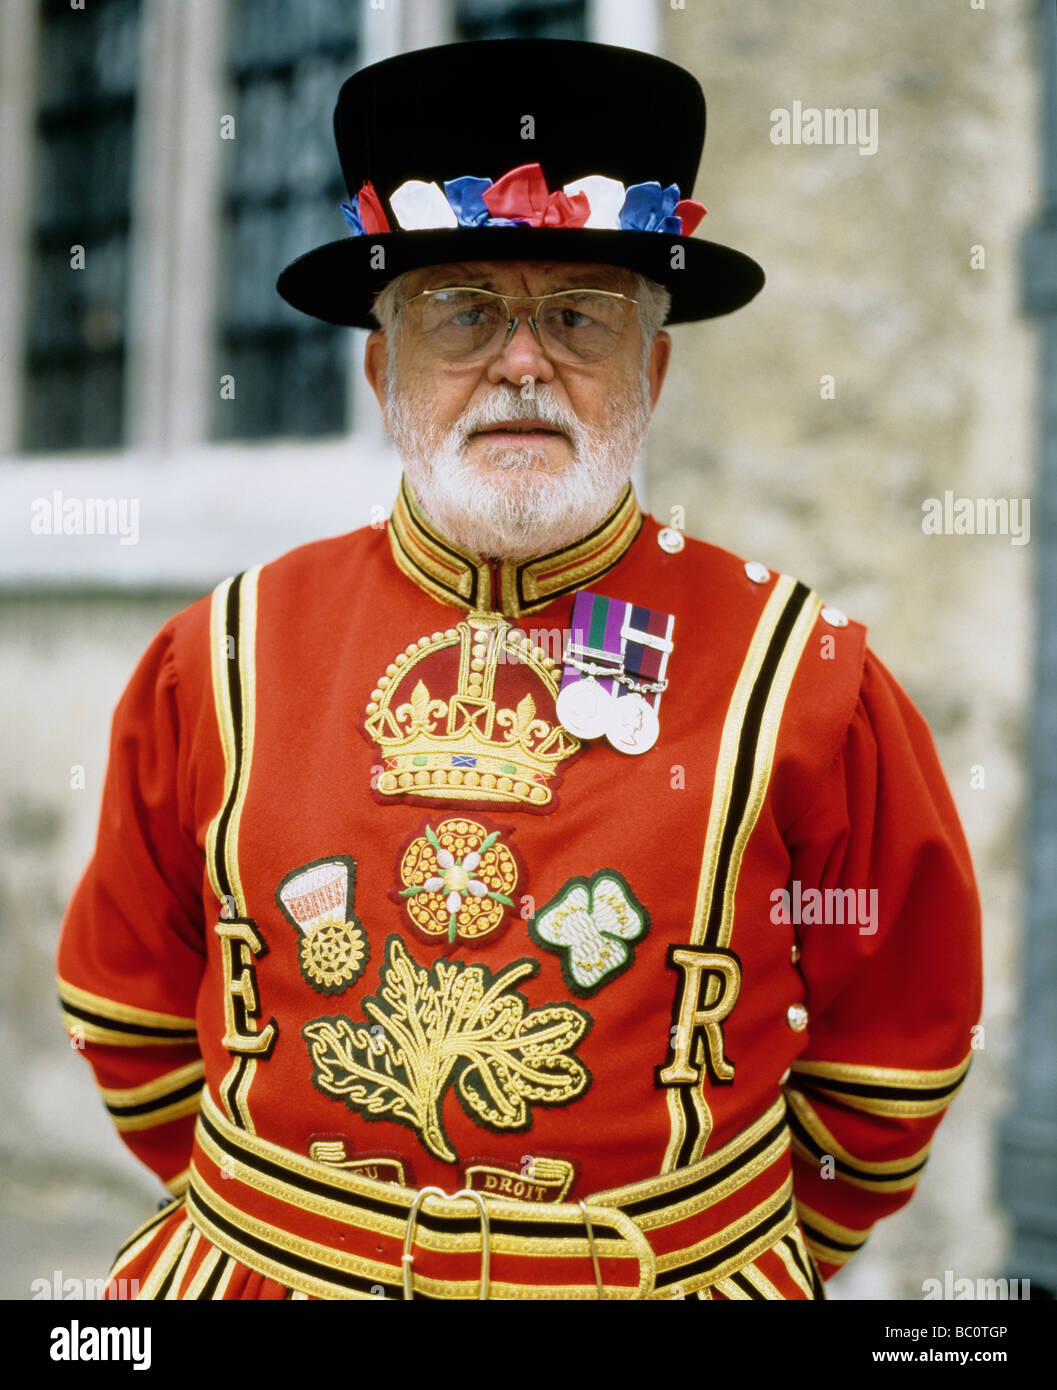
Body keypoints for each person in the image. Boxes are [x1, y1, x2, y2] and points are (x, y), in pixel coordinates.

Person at [57, 38, 981, 1301]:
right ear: (382, 371)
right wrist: (290, 1234)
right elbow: (126, 1006)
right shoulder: (216, 656)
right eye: (465, 311)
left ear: (649, 373)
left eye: (579, 316)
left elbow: (896, 1055)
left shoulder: (806, 672)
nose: (523, 363)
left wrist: (713, 1261)